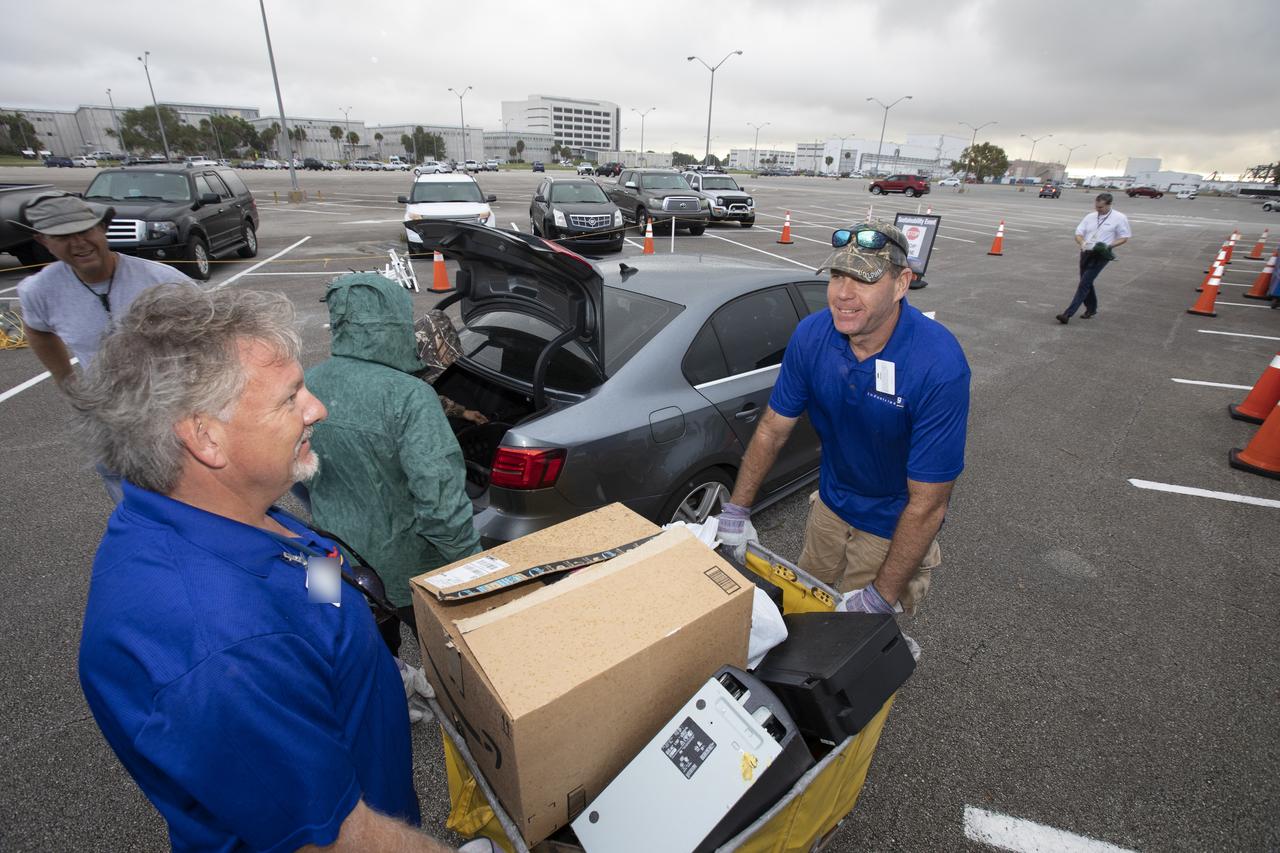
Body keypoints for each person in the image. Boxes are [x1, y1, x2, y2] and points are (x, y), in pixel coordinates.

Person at [69, 286, 460, 852]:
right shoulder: (224, 649)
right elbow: (335, 840)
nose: (317, 408)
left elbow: (313, 601)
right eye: (290, 398)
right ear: (204, 436)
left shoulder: (230, 512)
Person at [717, 221, 970, 615]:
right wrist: (736, 510)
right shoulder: (812, 335)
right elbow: (772, 429)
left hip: (892, 525)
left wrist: (881, 596)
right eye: (837, 276)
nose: (843, 295)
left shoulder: (937, 365)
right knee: (799, 612)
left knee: (855, 641)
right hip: (831, 506)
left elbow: (928, 504)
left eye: (864, 279)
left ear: (901, 284)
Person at [304, 273, 480, 654]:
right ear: (395, 325)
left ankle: (383, 699)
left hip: (324, 557)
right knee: (446, 660)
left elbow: (293, 476)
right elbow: (440, 504)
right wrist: (474, 569)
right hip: (400, 566)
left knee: (345, 654)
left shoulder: (306, 383)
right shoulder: (410, 396)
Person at [12, 193, 192, 388]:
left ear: (103, 228)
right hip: (106, 407)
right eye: (62, 236)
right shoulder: (38, 290)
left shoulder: (165, 281)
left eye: (86, 231)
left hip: (174, 401)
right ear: (43, 241)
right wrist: (66, 381)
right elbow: (38, 331)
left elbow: (215, 335)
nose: (79, 243)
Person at [1056, 192, 1131, 324]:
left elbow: (1124, 237)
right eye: (1096, 207)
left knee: (1084, 284)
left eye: (1101, 207)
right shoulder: (1090, 217)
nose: (1098, 210)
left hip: (1101, 255)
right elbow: (1078, 233)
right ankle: (1092, 309)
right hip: (1086, 252)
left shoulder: (1119, 218)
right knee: (1086, 282)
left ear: (1109, 205)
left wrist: (1108, 246)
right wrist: (1082, 243)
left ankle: (1067, 314)